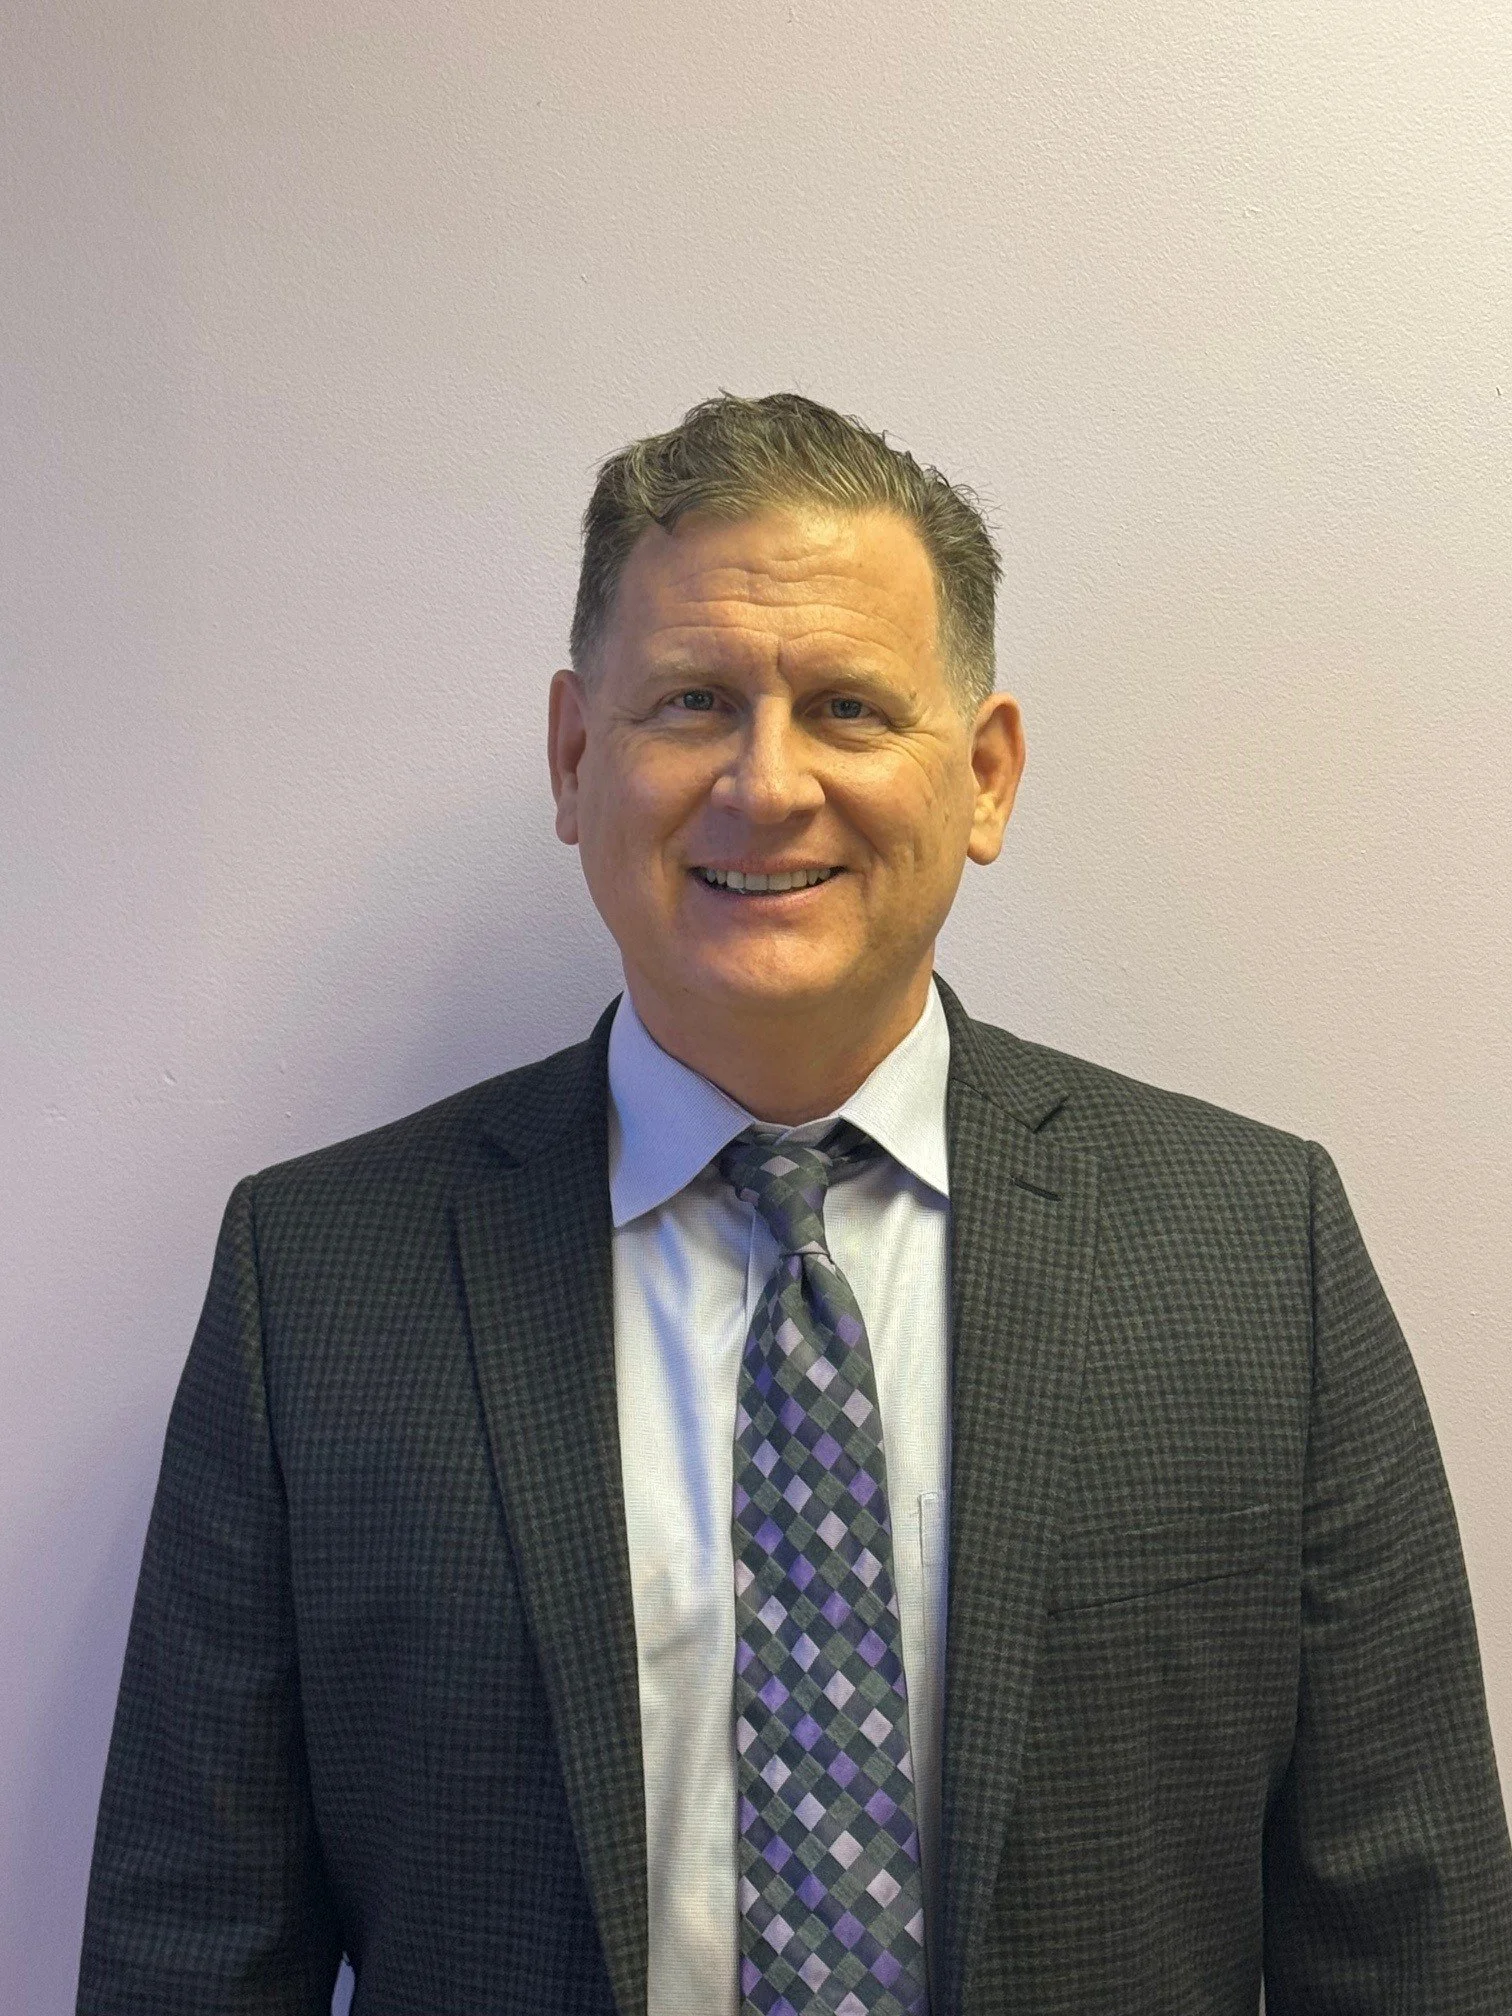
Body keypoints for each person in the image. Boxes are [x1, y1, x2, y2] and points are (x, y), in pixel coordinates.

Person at [78, 392, 1512, 2016]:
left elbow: (1412, 1940)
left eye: (845, 707)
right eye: (693, 703)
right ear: (573, 758)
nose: (766, 786)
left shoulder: (1262, 1259)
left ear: (983, 775)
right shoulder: (319, 1284)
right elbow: (189, 1954)